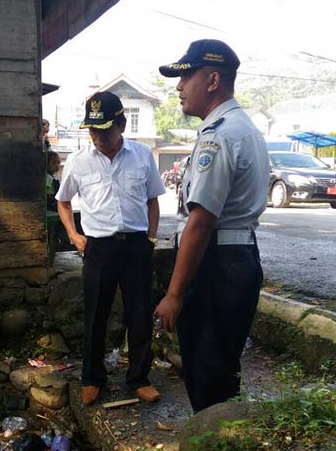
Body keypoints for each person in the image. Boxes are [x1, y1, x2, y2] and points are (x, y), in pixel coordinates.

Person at [155, 39, 270, 413]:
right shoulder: (243, 128)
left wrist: (174, 294)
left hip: (217, 265)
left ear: (213, 80)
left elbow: (200, 223)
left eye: (186, 76)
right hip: (238, 258)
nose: (178, 86)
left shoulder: (218, 134)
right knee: (222, 369)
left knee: (206, 372)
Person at [56, 90, 165, 406]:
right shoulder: (78, 161)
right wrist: (75, 237)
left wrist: (151, 239)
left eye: (104, 129)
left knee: (140, 313)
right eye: (92, 130)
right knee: (95, 316)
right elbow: (63, 203)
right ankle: (92, 378)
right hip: (99, 248)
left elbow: (152, 200)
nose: (98, 137)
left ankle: (139, 379)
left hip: (136, 245)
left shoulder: (143, 156)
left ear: (121, 124)